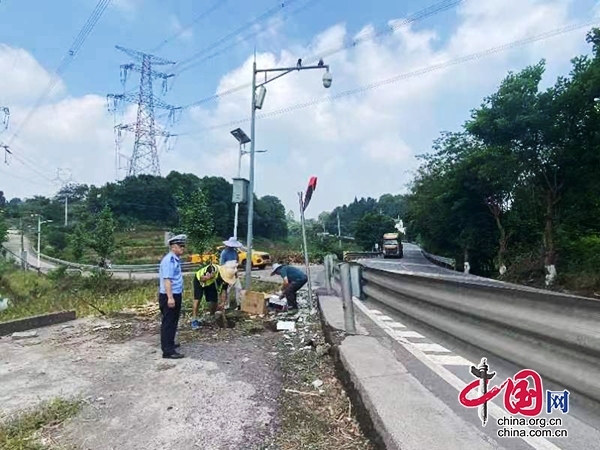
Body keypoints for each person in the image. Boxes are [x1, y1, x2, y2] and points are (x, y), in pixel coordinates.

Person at [158, 234, 186, 359]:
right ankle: (167, 351)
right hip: (170, 295)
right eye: (181, 246)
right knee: (168, 322)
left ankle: (170, 343)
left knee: (173, 321)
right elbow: (167, 280)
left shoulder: (175, 259)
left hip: (175, 294)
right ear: (173, 247)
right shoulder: (169, 260)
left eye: (183, 246)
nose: (183, 248)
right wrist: (170, 298)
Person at [191, 263, 221, 330]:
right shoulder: (208, 271)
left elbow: (223, 289)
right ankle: (194, 319)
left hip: (210, 282)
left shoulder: (221, 273)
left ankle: (211, 316)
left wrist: (223, 302)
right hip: (199, 281)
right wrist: (207, 277)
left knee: (214, 300)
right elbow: (201, 279)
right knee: (197, 299)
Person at [220, 237, 242, 308]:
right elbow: (222, 265)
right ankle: (226, 305)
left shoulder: (235, 252)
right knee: (227, 291)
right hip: (227, 274)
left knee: (238, 288)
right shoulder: (224, 253)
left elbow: (236, 262)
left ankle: (239, 304)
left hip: (234, 273)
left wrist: (236, 274)